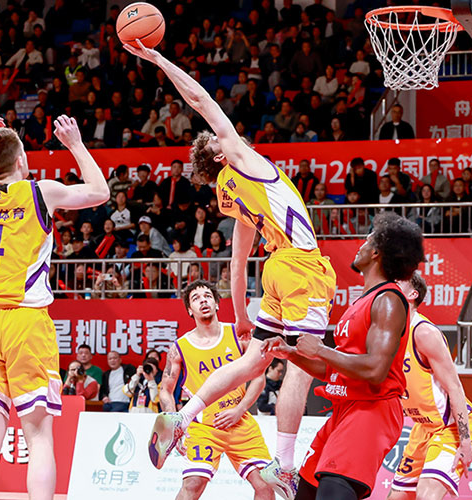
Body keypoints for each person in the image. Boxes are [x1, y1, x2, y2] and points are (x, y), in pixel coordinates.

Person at [125, 39, 336, 499]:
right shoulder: (243, 159)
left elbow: (238, 264)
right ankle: (285, 465)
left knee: (251, 361)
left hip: (274, 269)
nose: (235, 138)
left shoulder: (228, 195)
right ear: (221, 152)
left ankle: (184, 415)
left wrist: (241, 316)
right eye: (226, 138)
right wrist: (159, 59)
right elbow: (201, 99)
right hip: (301, 264)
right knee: (301, 364)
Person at [0, 116, 109, 500]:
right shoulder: (39, 192)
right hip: (26, 321)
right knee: (38, 437)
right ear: (21, 160)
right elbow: (100, 191)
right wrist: (75, 144)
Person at [263, 212, 426, 500]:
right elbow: (335, 370)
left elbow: (375, 370)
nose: (360, 245)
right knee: (306, 492)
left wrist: (321, 349)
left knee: (332, 491)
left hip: (371, 410)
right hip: (345, 408)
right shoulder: (362, 301)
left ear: (376, 252)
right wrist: (292, 354)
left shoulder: (388, 300)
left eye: (367, 240)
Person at [156, 280, 274, 500]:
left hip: (239, 421)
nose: (203, 301)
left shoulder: (239, 335)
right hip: (204, 427)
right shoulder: (179, 348)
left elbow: (259, 378)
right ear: (189, 310)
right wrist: (175, 425)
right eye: (196, 298)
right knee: (193, 484)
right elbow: (165, 390)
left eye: (208, 296)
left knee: (265, 484)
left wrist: (239, 410)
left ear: (217, 304)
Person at [388, 272, 472, 500]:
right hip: (422, 428)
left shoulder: (424, 332)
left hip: (450, 427)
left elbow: (455, 387)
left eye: (398, 281)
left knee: (426, 495)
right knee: (396, 497)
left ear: (412, 294)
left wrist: (465, 441)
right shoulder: (390, 334)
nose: (392, 283)